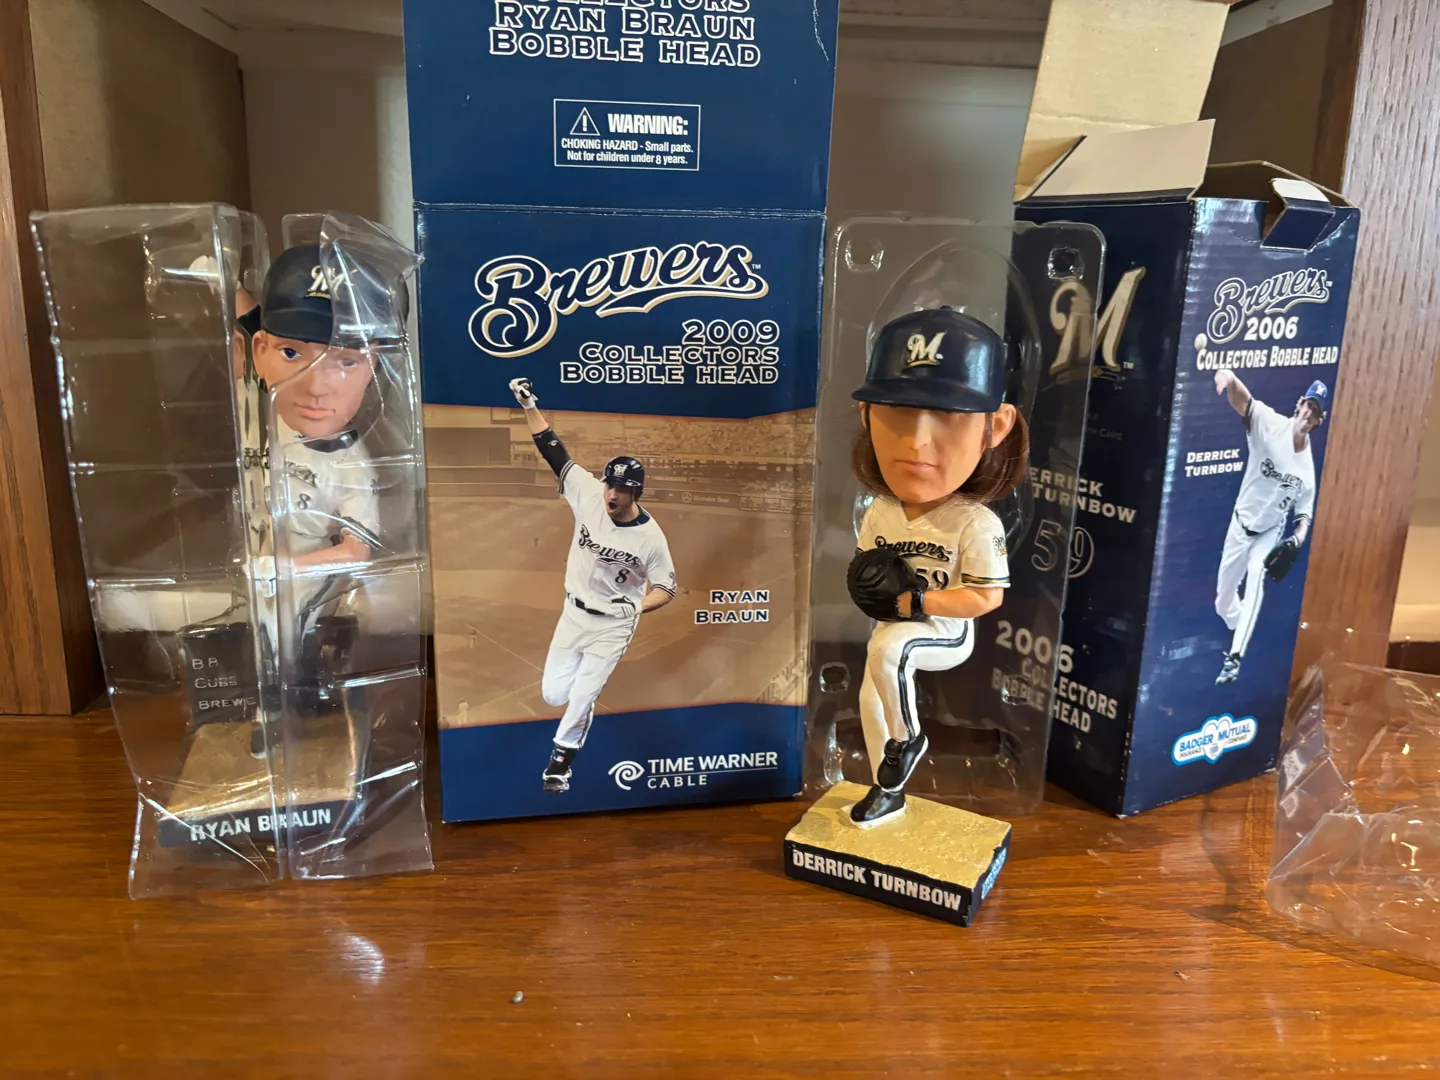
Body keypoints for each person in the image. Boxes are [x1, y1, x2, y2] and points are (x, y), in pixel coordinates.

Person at [845, 307, 1029, 827]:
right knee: (871, 698)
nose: (918, 440)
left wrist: (917, 601)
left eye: (948, 415)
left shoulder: (975, 522)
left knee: (889, 650)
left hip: (945, 630)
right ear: (866, 415)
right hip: (893, 626)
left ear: (996, 427)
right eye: (899, 412)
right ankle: (888, 790)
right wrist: (868, 588)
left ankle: (909, 740)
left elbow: (986, 597)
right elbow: (865, 569)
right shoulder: (880, 511)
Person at [509, 377, 677, 793]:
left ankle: (560, 763)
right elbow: (552, 449)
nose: (612, 494)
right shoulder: (588, 492)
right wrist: (529, 405)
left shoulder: (651, 538)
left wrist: (636, 607)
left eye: (622, 489)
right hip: (573, 613)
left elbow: (667, 587)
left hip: (614, 624)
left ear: (635, 493)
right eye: (610, 484)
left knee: (585, 693)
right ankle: (568, 726)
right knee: (554, 694)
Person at [1212, 370, 1325, 685]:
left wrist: (1297, 540)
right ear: (1299, 405)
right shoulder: (1271, 425)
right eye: (1308, 405)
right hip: (1241, 524)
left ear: (1319, 421)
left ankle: (1235, 658)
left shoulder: (1307, 471)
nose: (1308, 413)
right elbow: (1244, 402)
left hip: (1270, 531)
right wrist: (1229, 378)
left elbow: (1304, 514)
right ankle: (1241, 626)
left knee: (1257, 576)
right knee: (1223, 602)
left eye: (1315, 411)